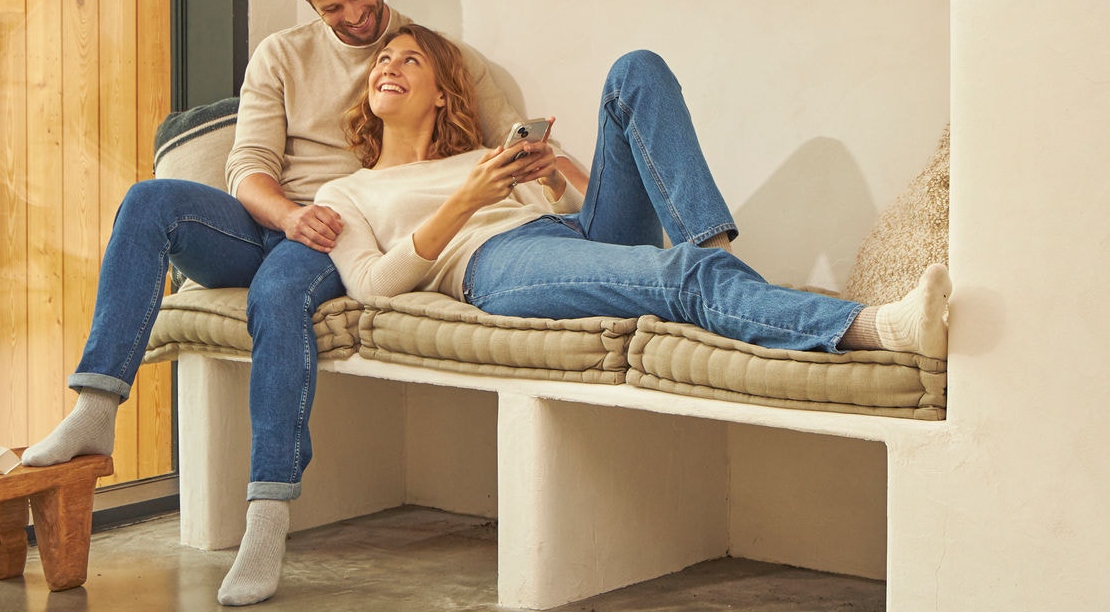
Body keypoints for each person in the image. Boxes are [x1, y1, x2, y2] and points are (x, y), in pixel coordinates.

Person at [23, 0, 526, 606]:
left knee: (277, 298)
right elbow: (248, 167)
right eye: (333, 10)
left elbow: (505, 147)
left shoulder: (428, 55)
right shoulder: (281, 56)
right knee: (149, 202)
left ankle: (266, 520)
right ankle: (96, 405)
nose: (354, 18)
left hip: (345, 231)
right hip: (274, 221)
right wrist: (288, 214)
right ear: (311, 8)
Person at [313, 25, 952, 369]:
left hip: (562, 238)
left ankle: (714, 251)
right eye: (381, 61)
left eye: (409, 61)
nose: (388, 67)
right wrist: (467, 202)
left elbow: (582, 223)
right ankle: (872, 328)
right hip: (493, 266)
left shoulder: (483, 155)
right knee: (679, 274)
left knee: (635, 69)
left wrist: (554, 178)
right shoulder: (345, 191)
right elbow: (371, 284)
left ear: (444, 93)